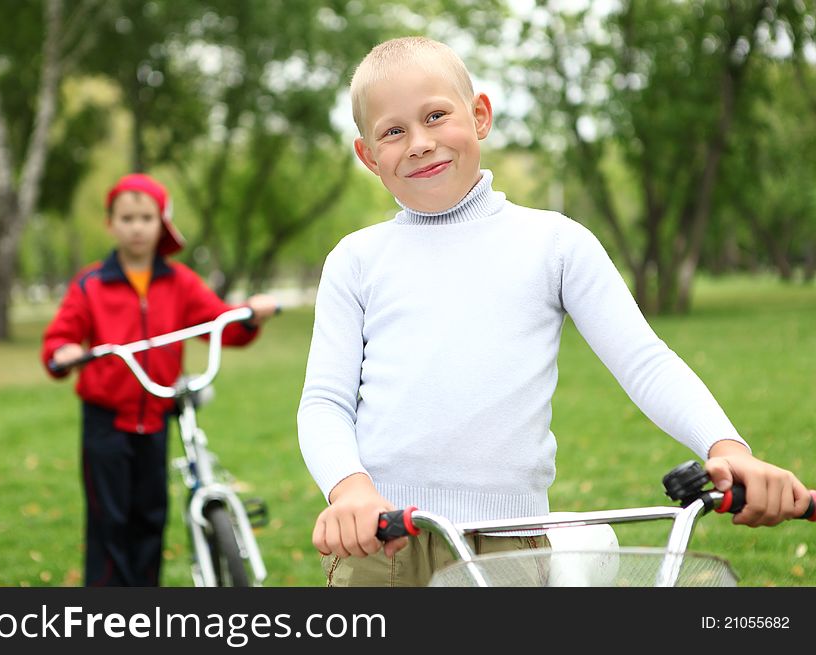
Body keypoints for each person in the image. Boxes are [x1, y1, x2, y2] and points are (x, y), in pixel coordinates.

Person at [297, 36, 812, 587]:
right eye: (393, 131)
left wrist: (728, 448)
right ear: (368, 155)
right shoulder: (356, 260)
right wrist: (349, 488)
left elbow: (645, 361)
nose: (419, 143)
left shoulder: (554, 244)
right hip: (385, 538)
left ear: (479, 116)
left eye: (436, 116)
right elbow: (325, 401)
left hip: (512, 541)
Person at [42, 173, 279, 586]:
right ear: (111, 223)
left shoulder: (179, 282)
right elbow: (61, 338)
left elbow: (218, 322)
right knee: (110, 522)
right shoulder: (92, 284)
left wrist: (248, 315)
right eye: (127, 217)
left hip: (155, 417)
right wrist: (64, 353)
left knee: (151, 519)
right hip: (106, 423)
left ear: (161, 224)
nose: (137, 227)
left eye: (146, 217)